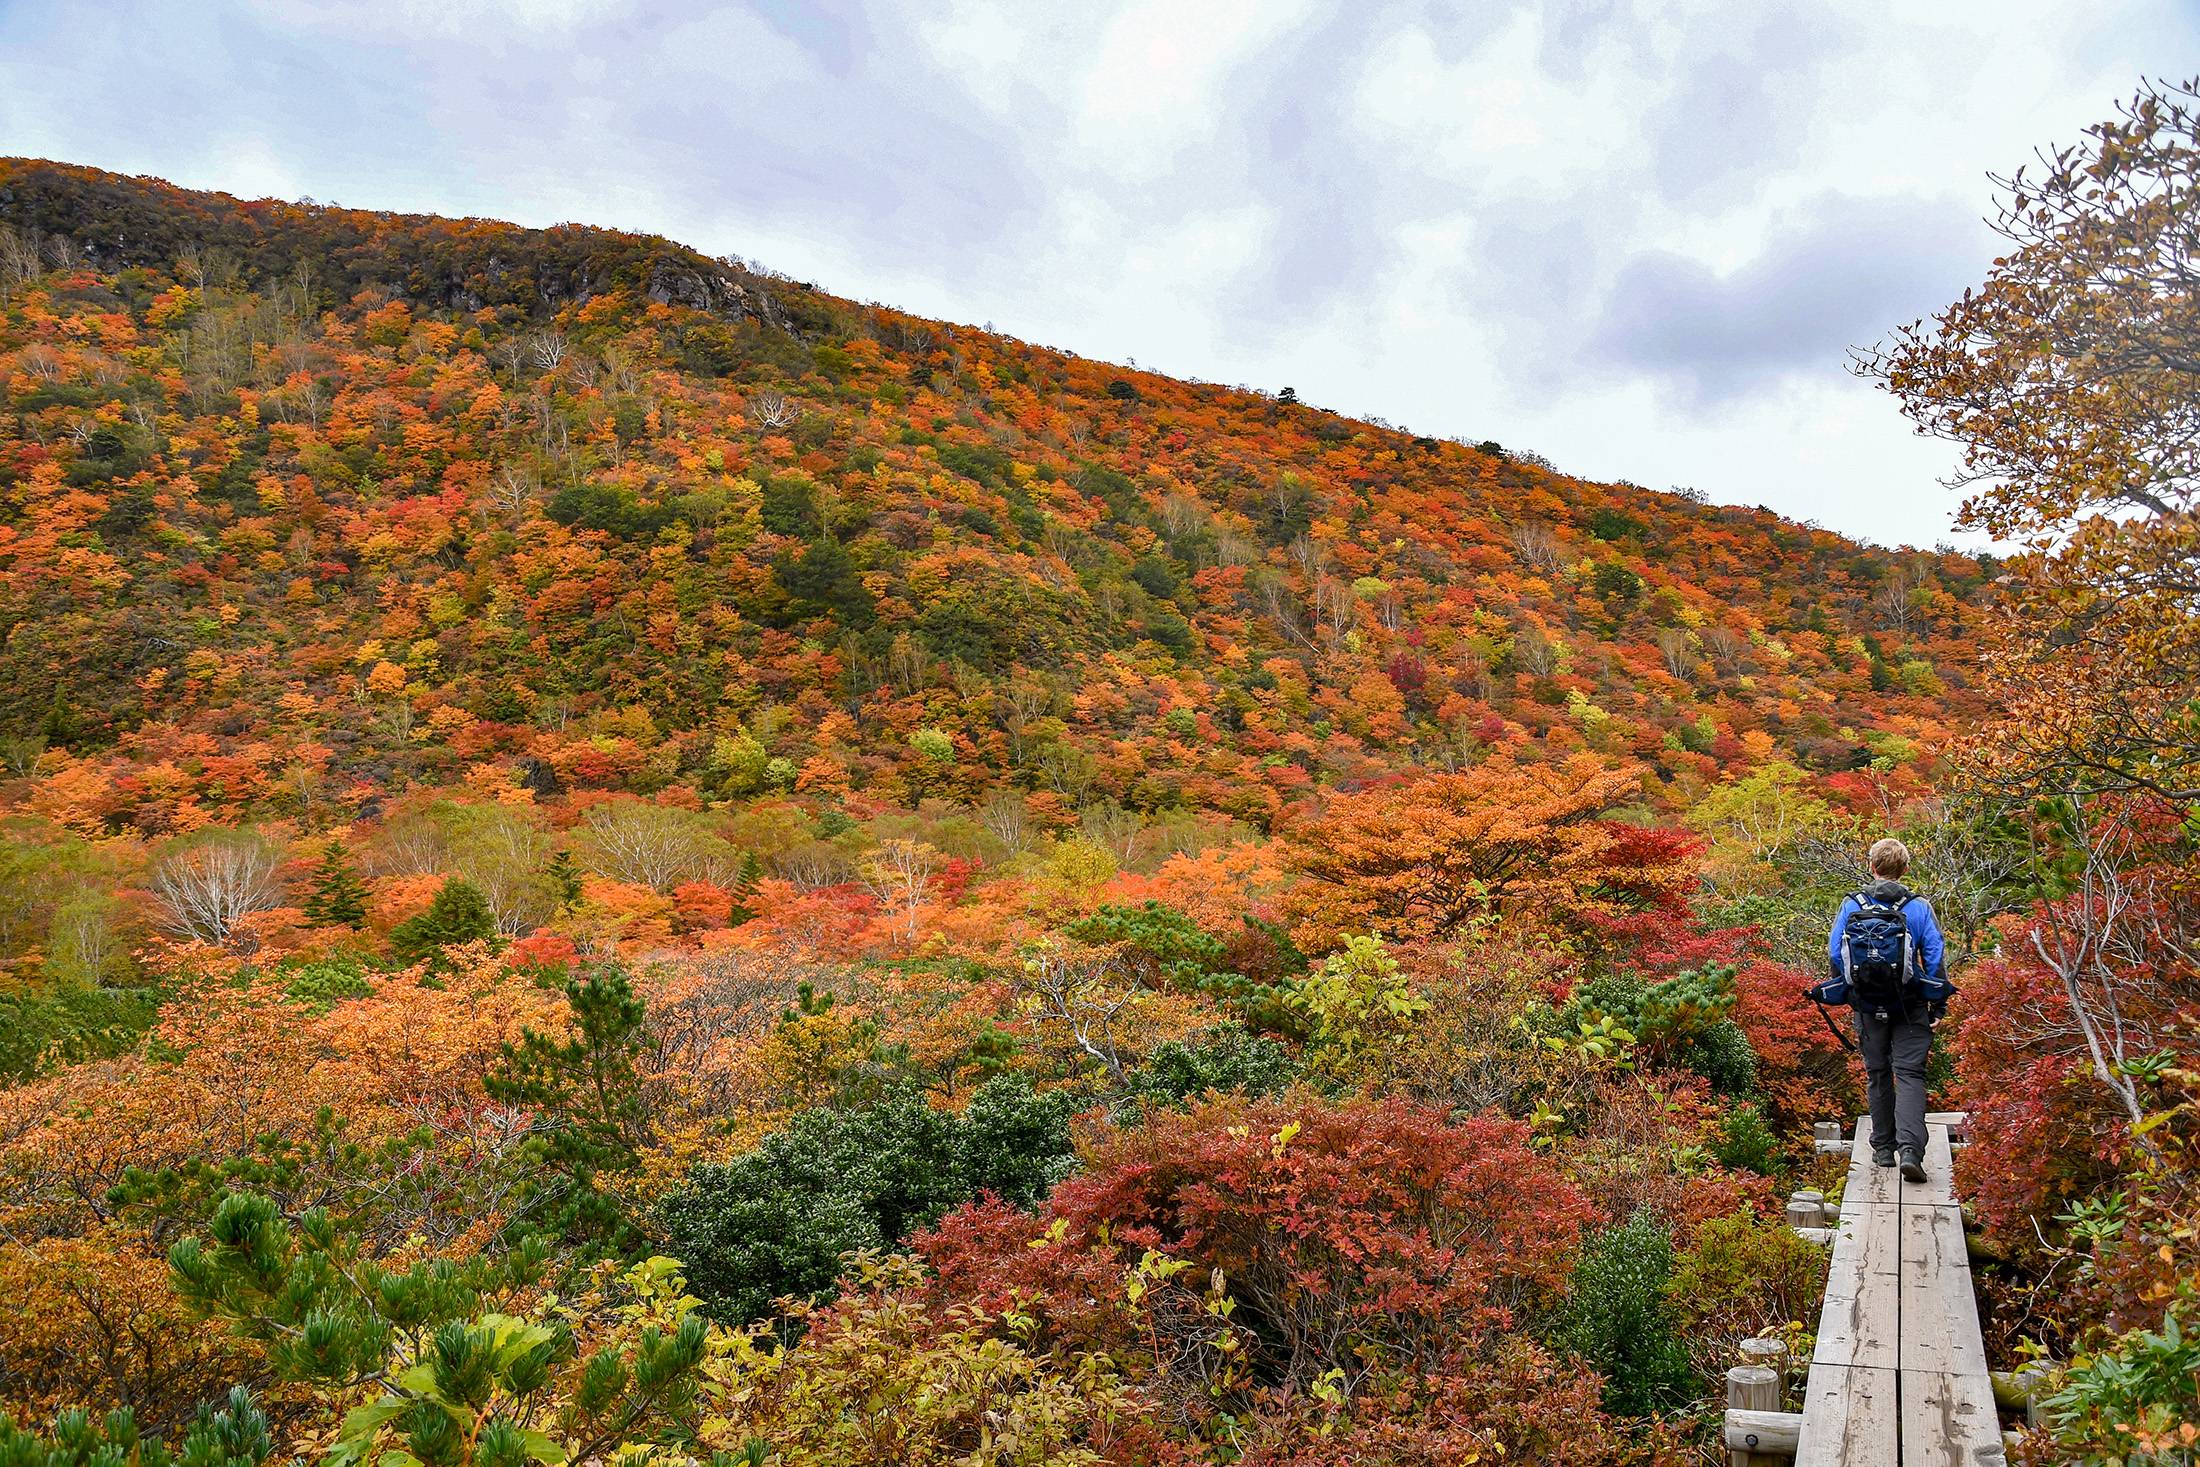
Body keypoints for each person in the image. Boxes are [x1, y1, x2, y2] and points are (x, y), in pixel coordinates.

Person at [1827, 837, 1949, 1182]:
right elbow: (1935, 955)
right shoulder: (1918, 907)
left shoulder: (1852, 904)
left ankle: (1883, 1149)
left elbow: (1835, 952)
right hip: (1910, 1004)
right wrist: (1938, 1004)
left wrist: (1850, 991)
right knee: (1910, 1074)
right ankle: (1911, 1151)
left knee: (1878, 1072)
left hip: (1867, 1004)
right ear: (1905, 869)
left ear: (1872, 867)